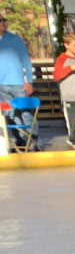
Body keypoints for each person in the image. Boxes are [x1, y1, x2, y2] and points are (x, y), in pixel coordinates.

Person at [0, 12, 41, 150]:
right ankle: (21, 141)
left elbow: (25, 60)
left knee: (26, 113)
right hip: (1, 87)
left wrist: (29, 81)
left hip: (18, 84)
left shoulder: (15, 39)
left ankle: (34, 141)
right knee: (10, 114)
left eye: (4, 20)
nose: (3, 22)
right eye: (0, 20)